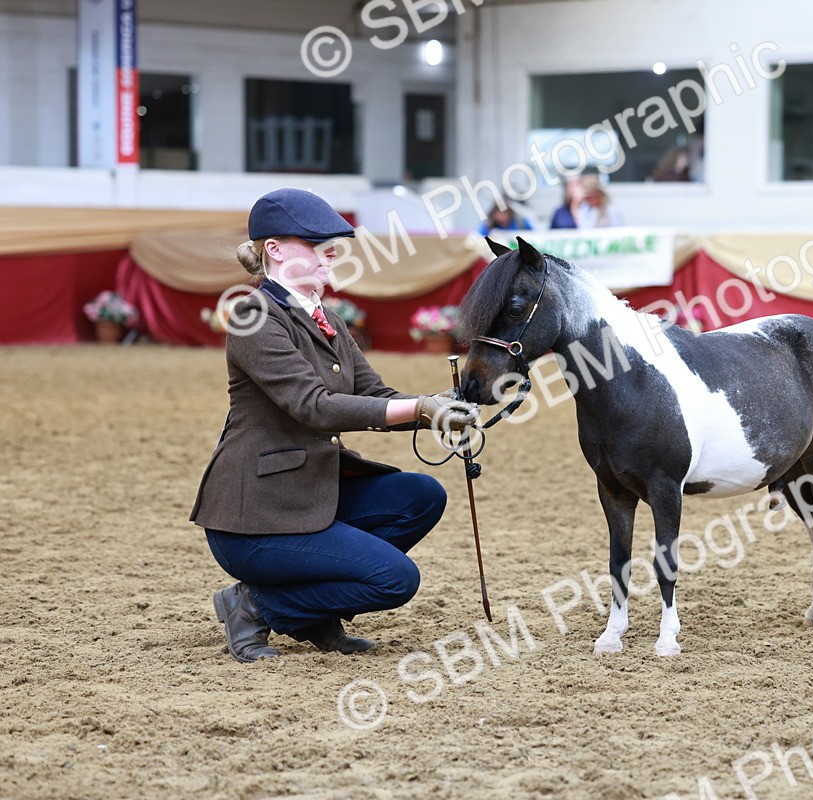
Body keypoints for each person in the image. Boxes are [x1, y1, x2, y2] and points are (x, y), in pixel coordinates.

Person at [190, 188, 480, 663]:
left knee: (422, 496)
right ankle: (255, 606)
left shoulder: (329, 321)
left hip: (309, 495)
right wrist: (422, 408)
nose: (331, 255)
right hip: (256, 518)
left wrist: (444, 407)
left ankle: (309, 613)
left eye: (331, 247)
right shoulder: (252, 315)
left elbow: (376, 398)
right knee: (395, 579)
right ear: (274, 249)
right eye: (317, 245)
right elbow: (315, 406)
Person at [550, 168, 624, 229]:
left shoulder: (610, 209)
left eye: (592, 196)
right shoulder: (586, 209)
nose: (589, 200)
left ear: (599, 194)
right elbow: (583, 228)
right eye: (587, 198)